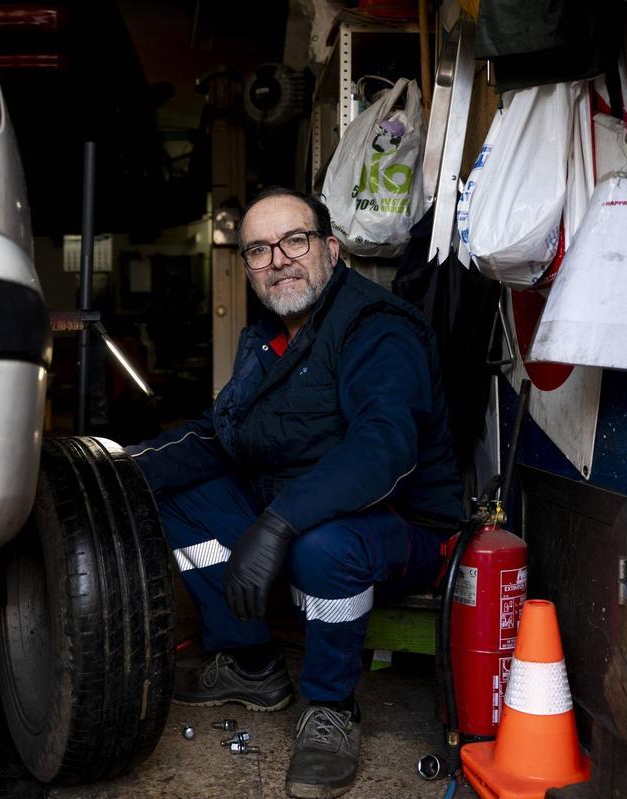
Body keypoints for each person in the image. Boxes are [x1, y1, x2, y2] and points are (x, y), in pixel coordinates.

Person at [126, 187, 463, 798]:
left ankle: (330, 707)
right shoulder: (264, 339)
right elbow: (221, 433)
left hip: (399, 530)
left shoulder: (378, 329)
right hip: (301, 509)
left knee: (322, 547)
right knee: (178, 494)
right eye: (258, 249)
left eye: (294, 240)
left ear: (331, 250)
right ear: (248, 266)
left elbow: (384, 448)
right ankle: (251, 662)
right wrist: (122, 469)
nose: (277, 258)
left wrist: (278, 523)